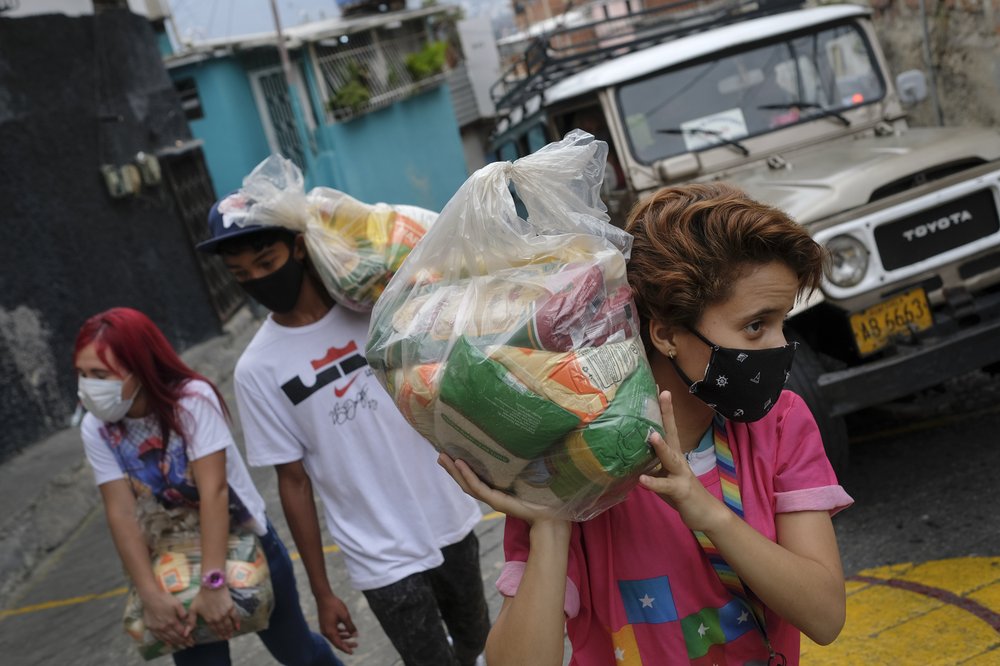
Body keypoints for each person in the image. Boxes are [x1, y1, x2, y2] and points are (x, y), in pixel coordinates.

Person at [440, 182, 854, 665]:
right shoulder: (571, 459)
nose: (780, 347)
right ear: (665, 333)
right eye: (756, 326)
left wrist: (708, 513)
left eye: (783, 322)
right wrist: (553, 522)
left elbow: (825, 616)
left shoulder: (781, 422)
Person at [195, 192, 490, 666]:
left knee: (476, 639)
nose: (256, 280)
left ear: (296, 247)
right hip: (376, 552)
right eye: (240, 275)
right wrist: (322, 591)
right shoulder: (256, 370)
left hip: (447, 509)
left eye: (264, 261)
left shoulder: (374, 305)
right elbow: (292, 482)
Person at [74, 307, 343, 666]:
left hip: (248, 544)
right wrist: (150, 595)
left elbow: (214, 492)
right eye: (82, 374)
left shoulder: (191, 401)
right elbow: (120, 512)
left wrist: (213, 585)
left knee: (299, 654)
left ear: (139, 366)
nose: (88, 387)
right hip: (173, 559)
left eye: (100, 375)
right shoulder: (97, 428)